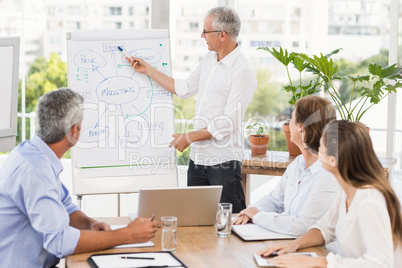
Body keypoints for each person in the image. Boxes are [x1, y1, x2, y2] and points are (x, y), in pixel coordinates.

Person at [0, 88, 158, 268]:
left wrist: (90, 224)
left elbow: (65, 206)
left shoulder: (33, 153)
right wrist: (127, 235)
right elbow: (59, 242)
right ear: (75, 130)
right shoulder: (36, 169)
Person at [128, 6, 257, 213]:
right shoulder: (208, 60)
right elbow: (185, 88)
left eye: (205, 31)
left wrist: (189, 137)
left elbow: (227, 123)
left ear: (222, 35)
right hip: (198, 160)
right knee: (197, 222)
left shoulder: (242, 71)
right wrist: (147, 70)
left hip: (223, 162)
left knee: (231, 225)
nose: (202, 35)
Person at [258, 120, 402, 267]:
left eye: (320, 147)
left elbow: (381, 264)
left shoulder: (369, 199)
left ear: (332, 160)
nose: (316, 152)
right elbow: (325, 229)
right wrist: (294, 245)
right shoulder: (346, 189)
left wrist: (318, 262)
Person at [233, 95, 339, 236]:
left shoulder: (328, 172)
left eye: (291, 119)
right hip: (291, 242)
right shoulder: (298, 164)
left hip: (320, 251)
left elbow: (302, 226)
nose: (287, 124)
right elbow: (274, 201)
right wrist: (249, 212)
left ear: (300, 127)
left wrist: (257, 216)